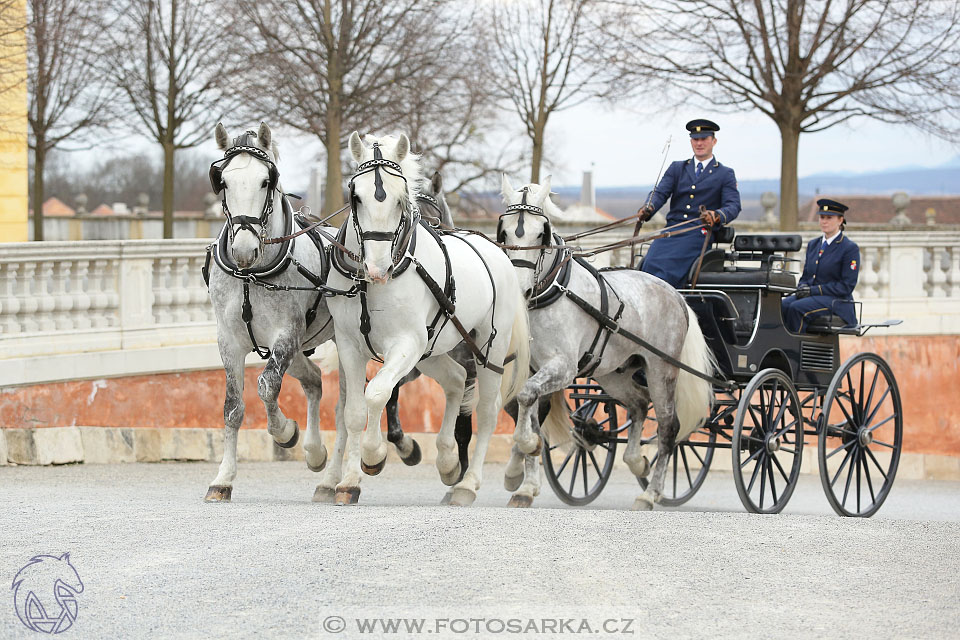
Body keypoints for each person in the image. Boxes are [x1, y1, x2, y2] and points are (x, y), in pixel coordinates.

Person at [637, 119, 741, 288]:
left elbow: (733, 205)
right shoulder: (677, 168)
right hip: (671, 230)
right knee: (650, 263)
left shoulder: (724, 173)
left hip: (698, 232)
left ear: (713, 141)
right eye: (695, 139)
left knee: (668, 268)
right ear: (691, 141)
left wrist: (717, 215)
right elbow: (660, 192)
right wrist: (649, 207)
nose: (699, 143)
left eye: (704, 139)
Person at [781, 199, 861, 333]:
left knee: (796, 308)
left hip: (837, 301)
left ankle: (795, 351)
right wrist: (802, 287)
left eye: (829, 218)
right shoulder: (813, 244)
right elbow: (806, 275)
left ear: (840, 220)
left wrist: (813, 291)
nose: (824, 221)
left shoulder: (849, 248)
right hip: (813, 297)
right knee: (782, 305)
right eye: (822, 217)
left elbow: (846, 286)